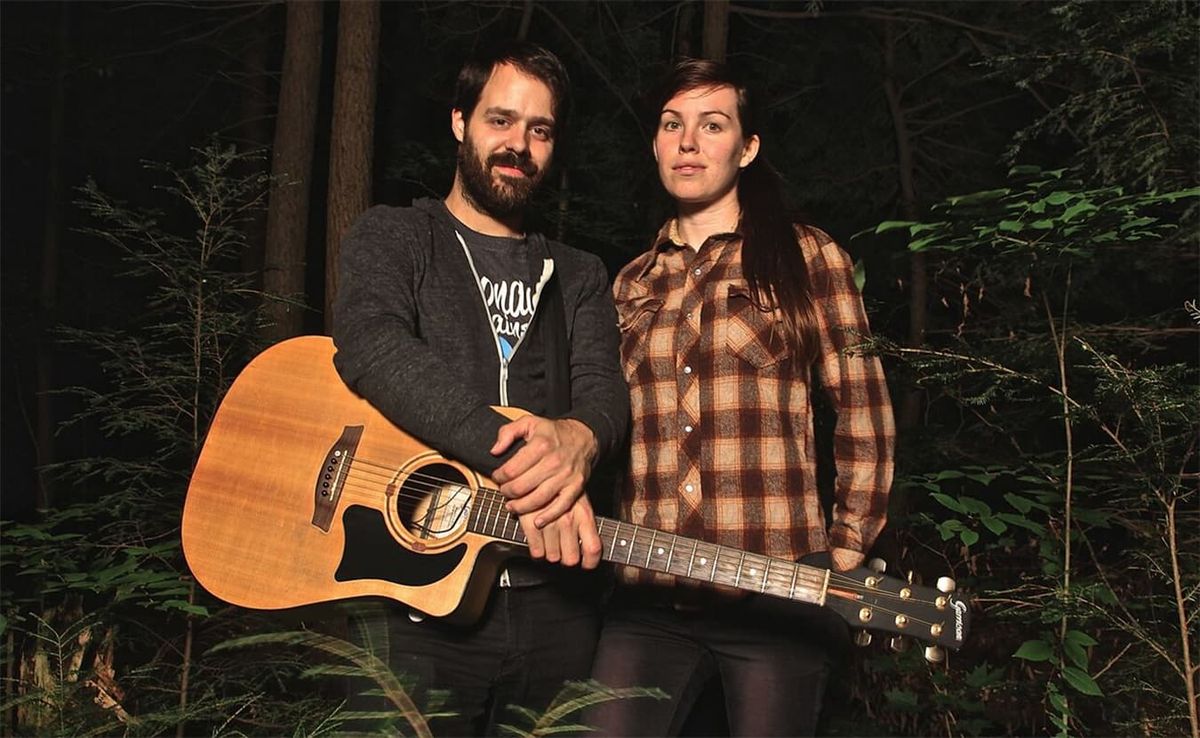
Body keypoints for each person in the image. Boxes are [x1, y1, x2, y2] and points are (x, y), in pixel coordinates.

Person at [585, 59, 896, 737]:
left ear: (747, 147)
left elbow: (865, 415)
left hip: (774, 601)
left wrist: (841, 555)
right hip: (647, 597)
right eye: (672, 125)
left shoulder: (808, 258)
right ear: (657, 144)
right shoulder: (629, 283)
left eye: (712, 124)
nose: (688, 141)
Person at [330, 41, 628, 736]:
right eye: (501, 120)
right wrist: (518, 452)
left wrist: (581, 441)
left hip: (556, 606)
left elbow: (603, 393)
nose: (518, 145)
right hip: (409, 597)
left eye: (540, 130)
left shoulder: (580, 273)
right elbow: (372, 346)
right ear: (460, 122)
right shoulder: (394, 235)